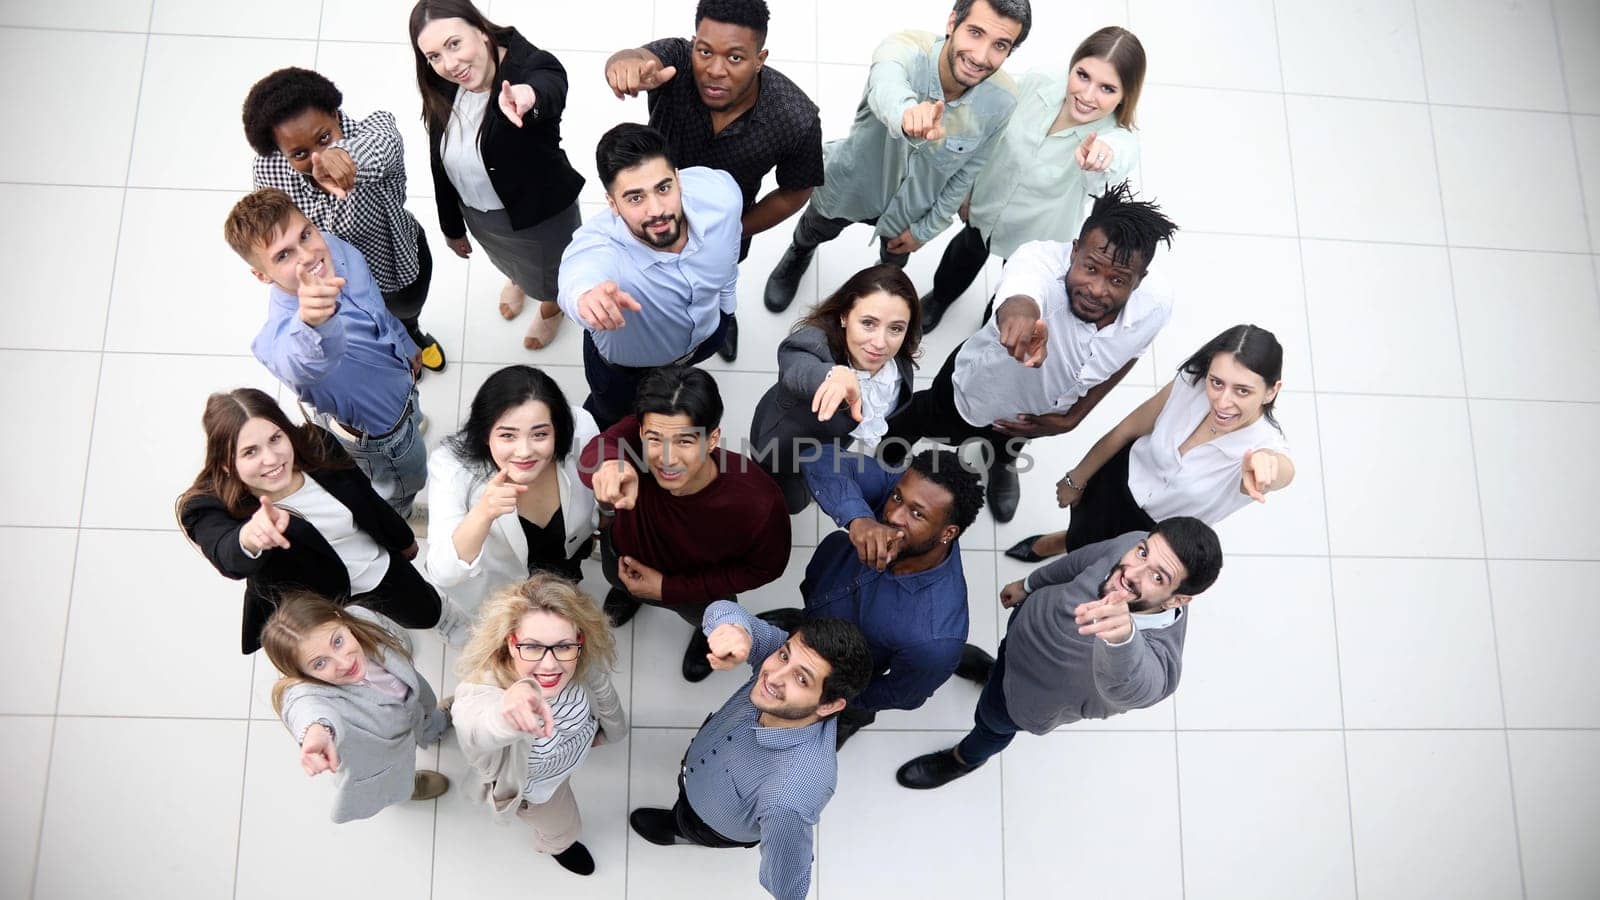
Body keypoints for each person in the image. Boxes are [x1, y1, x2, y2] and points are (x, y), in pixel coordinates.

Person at [881, 180, 1178, 524]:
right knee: (926, 417)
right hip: (977, 392)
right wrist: (1020, 323)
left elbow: (1129, 356)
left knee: (1010, 444)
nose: (1097, 290)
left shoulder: (1156, 304)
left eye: (1118, 280)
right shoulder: (1036, 261)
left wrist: (1073, 417)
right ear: (1074, 250)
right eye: (1091, 268)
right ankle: (890, 450)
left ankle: (1001, 464)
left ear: (1138, 281)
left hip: (1037, 415)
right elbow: (1020, 299)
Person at [895, 517, 1223, 790]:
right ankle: (992, 670)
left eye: (1156, 577)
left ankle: (963, 760)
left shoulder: (1161, 667)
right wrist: (1029, 584)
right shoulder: (1137, 544)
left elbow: (1134, 685)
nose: (1130, 573)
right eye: (1141, 554)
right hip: (1021, 634)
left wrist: (1123, 636)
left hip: (1023, 701)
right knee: (1000, 665)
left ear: (1176, 600)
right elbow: (1080, 562)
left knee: (990, 725)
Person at [762, 0, 1030, 313]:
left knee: (892, 265)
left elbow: (968, 172)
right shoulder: (903, 49)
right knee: (814, 228)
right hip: (852, 185)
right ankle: (799, 253)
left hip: (910, 211)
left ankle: (879, 289)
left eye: (1000, 45)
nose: (981, 56)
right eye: (975, 32)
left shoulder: (1003, 101)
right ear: (952, 22)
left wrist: (925, 230)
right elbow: (886, 84)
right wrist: (906, 114)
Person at [604, 0, 824, 361]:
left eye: (735, 58)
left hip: (727, 226)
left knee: (720, 283)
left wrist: (736, 229)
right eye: (705, 51)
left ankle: (724, 318)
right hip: (649, 211)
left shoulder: (794, 118)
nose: (714, 70)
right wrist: (623, 65)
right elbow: (637, 57)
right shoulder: (676, 63)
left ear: (760, 58)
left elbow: (796, 191)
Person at [176, 389, 454, 654]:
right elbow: (225, 551)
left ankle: (439, 623)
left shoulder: (315, 445)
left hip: (375, 567)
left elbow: (367, 498)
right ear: (226, 463)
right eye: (250, 452)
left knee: (424, 611)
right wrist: (248, 537)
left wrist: (402, 539)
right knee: (355, 644)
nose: (271, 459)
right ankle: (376, 633)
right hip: (317, 602)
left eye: (275, 439)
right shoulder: (206, 505)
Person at [628, 600, 872, 900]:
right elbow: (719, 607)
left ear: (829, 705)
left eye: (801, 678)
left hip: (712, 826)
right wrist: (735, 632)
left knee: (689, 825)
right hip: (698, 768)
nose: (774, 675)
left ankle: (682, 832)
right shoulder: (783, 658)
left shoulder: (789, 797)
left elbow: (787, 885)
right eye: (784, 656)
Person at [921, 26, 1147, 333]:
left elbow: (1110, 168)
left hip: (1036, 232)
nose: (1087, 95)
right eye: (1083, 75)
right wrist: (966, 189)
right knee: (964, 255)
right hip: (985, 205)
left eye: (1107, 89)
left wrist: (1100, 158)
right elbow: (991, 127)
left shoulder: (1115, 140)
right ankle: (941, 298)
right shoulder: (1041, 81)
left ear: (1124, 97)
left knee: (1014, 285)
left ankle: (991, 328)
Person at [1006, 324, 1295, 562]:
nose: (1222, 401)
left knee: (1099, 567)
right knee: (1083, 530)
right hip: (1118, 482)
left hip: (1155, 533)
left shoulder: (1264, 446)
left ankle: (1069, 551)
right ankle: (1062, 541)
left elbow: (1279, 470)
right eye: (1216, 382)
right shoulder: (1192, 384)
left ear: (1271, 392)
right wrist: (1077, 478)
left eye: (1243, 391)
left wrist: (1266, 465)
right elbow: (1127, 430)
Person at [224, 188, 428, 518]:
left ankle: (410, 423)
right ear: (262, 275)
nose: (307, 255)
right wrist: (313, 323)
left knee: (413, 422)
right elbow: (299, 363)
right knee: (405, 482)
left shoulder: (332, 248)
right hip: (381, 439)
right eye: (283, 256)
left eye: (305, 234)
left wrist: (404, 343)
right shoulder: (278, 340)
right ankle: (400, 515)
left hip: (401, 386)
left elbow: (375, 307)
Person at [578, 366, 790, 682]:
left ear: (712, 439)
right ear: (640, 432)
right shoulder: (632, 444)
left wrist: (668, 589)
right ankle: (631, 595)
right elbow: (594, 454)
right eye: (655, 439)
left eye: (685, 441)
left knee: (704, 618)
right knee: (620, 580)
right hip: (622, 555)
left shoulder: (758, 502)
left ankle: (704, 636)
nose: (667, 458)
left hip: (697, 592)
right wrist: (609, 466)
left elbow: (766, 568)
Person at [770, 445, 984, 748]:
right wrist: (858, 518)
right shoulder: (905, 489)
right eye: (897, 497)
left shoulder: (933, 638)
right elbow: (819, 459)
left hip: (849, 671)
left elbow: (898, 694)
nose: (893, 514)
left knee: (853, 709)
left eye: (916, 514)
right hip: (823, 593)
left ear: (947, 533)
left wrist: (838, 696)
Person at [242, 66, 447, 371]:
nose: (316, 159)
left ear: (335, 116)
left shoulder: (373, 134)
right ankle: (397, 353)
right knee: (366, 332)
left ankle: (413, 333)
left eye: (324, 137)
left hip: (395, 270)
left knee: (405, 314)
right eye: (298, 154)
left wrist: (345, 158)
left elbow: (385, 140)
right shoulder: (269, 171)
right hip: (338, 284)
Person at [410, 0, 585, 351]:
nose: (449, 64)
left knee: (552, 274)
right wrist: (451, 225)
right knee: (510, 262)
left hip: (539, 215)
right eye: (434, 55)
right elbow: (438, 158)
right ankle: (519, 279)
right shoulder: (440, 82)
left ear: (481, 30)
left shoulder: (530, 66)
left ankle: (552, 307)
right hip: (484, 216)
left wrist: (527, 95)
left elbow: (550, 86)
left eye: (454, 44)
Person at [557, 124, 743, 428]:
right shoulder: (600, 247)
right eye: (634, 198)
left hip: (708, 334)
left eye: (663, 188)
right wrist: (585, 299)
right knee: (612, 420)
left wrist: (727, 306)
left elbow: (731, 251)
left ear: (679, 179)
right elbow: (578, 275)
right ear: (612, 204)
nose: (656, 210)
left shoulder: (721, 197)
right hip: (626, 372)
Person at [453, 575, 627, 876]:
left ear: (580, 641)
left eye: (563, 646)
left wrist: (610, 733)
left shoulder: (581, 663)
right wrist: (507, 713)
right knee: (563, 825)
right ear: (511, 642)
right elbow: (475, 722)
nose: (550, 666)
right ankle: (558, 844)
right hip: (538, 791)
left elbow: (605, 697)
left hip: (567, 758)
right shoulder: (484, 691)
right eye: (532, 647)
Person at [262, 592, 451, 823]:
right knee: (395, 782)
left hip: (413, 710)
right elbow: (303, 708)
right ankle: (406, 789)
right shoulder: (309, 694)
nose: (344, 663)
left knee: (424, 718)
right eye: (320, 663)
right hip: (385, 755)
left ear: (341, 619)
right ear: (303, 675)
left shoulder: (360, 617)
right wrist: (317, 731)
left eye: (338, 641)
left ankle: (432, 728)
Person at [749, 264, 921, 512]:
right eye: (868, 323)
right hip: (782, 445)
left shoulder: (897, 362)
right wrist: (832, 375)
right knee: (790, 501)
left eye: (895, 328)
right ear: (844, 315)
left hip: (833, 443)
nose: (880, 343)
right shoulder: (812, 343)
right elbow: (797, 367)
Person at [427, 366, 599, 610]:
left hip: (568, 553)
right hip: (508, 587)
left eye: (540, 435)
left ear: (558, 431)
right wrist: (483, 512)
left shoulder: (581, 426)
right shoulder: (451, 466)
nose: (525, 451)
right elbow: (443, 572)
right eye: (508, 436)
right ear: (485, 435)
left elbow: (601, 481)